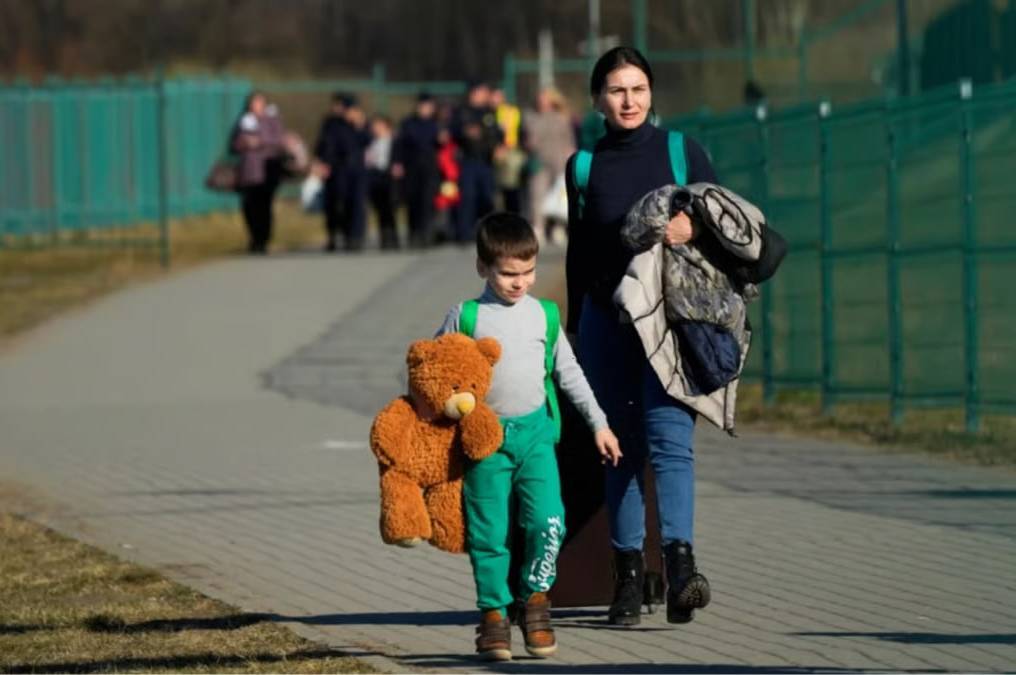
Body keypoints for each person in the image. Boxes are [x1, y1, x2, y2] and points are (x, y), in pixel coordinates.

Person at [564, 46, 719, 627]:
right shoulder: (583, 166)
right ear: (598, 99)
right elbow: (580, 252)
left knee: (671, 441)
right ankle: (627, 578)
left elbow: (728, 222)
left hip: (672, 324)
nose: (628, 100)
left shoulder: (683, 152)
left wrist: (692, 224)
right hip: (607, 323)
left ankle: (681, 569)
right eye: (616, 90)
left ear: (651, 93)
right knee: (619, 448)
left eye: (638, 88)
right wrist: (575, 331)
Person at [436, 212, 622, 661]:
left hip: (537, 436)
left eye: (528, 272)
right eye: (508, 273)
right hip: (484, 444)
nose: (520, 283)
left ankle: (536, 600)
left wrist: (599, 423)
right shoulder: (466, 316)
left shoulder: (545, 315)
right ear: (483, 268)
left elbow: (569, 374)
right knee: (489, 533)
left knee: (546, 521)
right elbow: (437, 374)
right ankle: (494, 617)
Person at [314, 92, 368, 252]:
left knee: (356, 204)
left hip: (356, 169)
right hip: (335, 169)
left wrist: (359, 126)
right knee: (334, 204)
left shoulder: (360, 123)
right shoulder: (330, 124)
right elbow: (322, 145)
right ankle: (334, 235)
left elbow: (368, 141)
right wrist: (320, 162)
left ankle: (354, 237)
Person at [231, 91, 284, 254]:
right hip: (249, 171)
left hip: (268, 170)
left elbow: (278, 140)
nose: (255, 106)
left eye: (258, 103)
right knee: (249, 207)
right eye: (253, 103)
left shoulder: (272, 120)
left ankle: (263, 239)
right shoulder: (244, 121)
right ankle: (254, 238)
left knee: (264, 206)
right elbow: (234, 144)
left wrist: (259, 142)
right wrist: (244, 142)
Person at [450, 82, 502, 243]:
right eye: (483, 91)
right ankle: (464, 234)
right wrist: (466, 132)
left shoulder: (489, 112)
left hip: (486, 160)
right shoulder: (462, 111)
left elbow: (497, 133)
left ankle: (487, 233)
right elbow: (453, 130)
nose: (486, 94)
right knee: (468, 197)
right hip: (468, 160)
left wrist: (499, 145)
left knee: (487, 197)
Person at [523, 87, 575, 243]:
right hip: (539, 161)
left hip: (559, 161)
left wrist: (570, 154)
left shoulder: (561, 117)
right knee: (537, 194)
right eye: (540, 98)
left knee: (560, 196)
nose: (542, 102)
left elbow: (569, 139)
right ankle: (538, 227)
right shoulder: (529, 117)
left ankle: (558, 228)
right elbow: (525, 138)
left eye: (545, 98)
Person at [392, 92, 440, 248]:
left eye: (428, 106)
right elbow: (399, 145)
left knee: (427, 202)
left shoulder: (436, 124)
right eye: (422, 106)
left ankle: (426, 233)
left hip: (430, 168)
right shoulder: (408, 124)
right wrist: (397, 163)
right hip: (412, 167)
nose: (425, 109)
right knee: (413, 201)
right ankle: (413, 233)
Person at [365, 115, 399, 250]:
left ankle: (393, 237)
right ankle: (384, 238)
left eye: (378, 125)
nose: (375, 128)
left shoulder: (394, 141)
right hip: (375, 176)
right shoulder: (372, 142)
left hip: (389, 177)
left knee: (390, 209)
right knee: (379, 209)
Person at [490, 87, 525, 214]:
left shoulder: (510, 112)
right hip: (496, 154)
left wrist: (503, 148)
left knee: (510, 188)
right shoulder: (490, 113)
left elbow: (512, 133)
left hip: (508, 152)